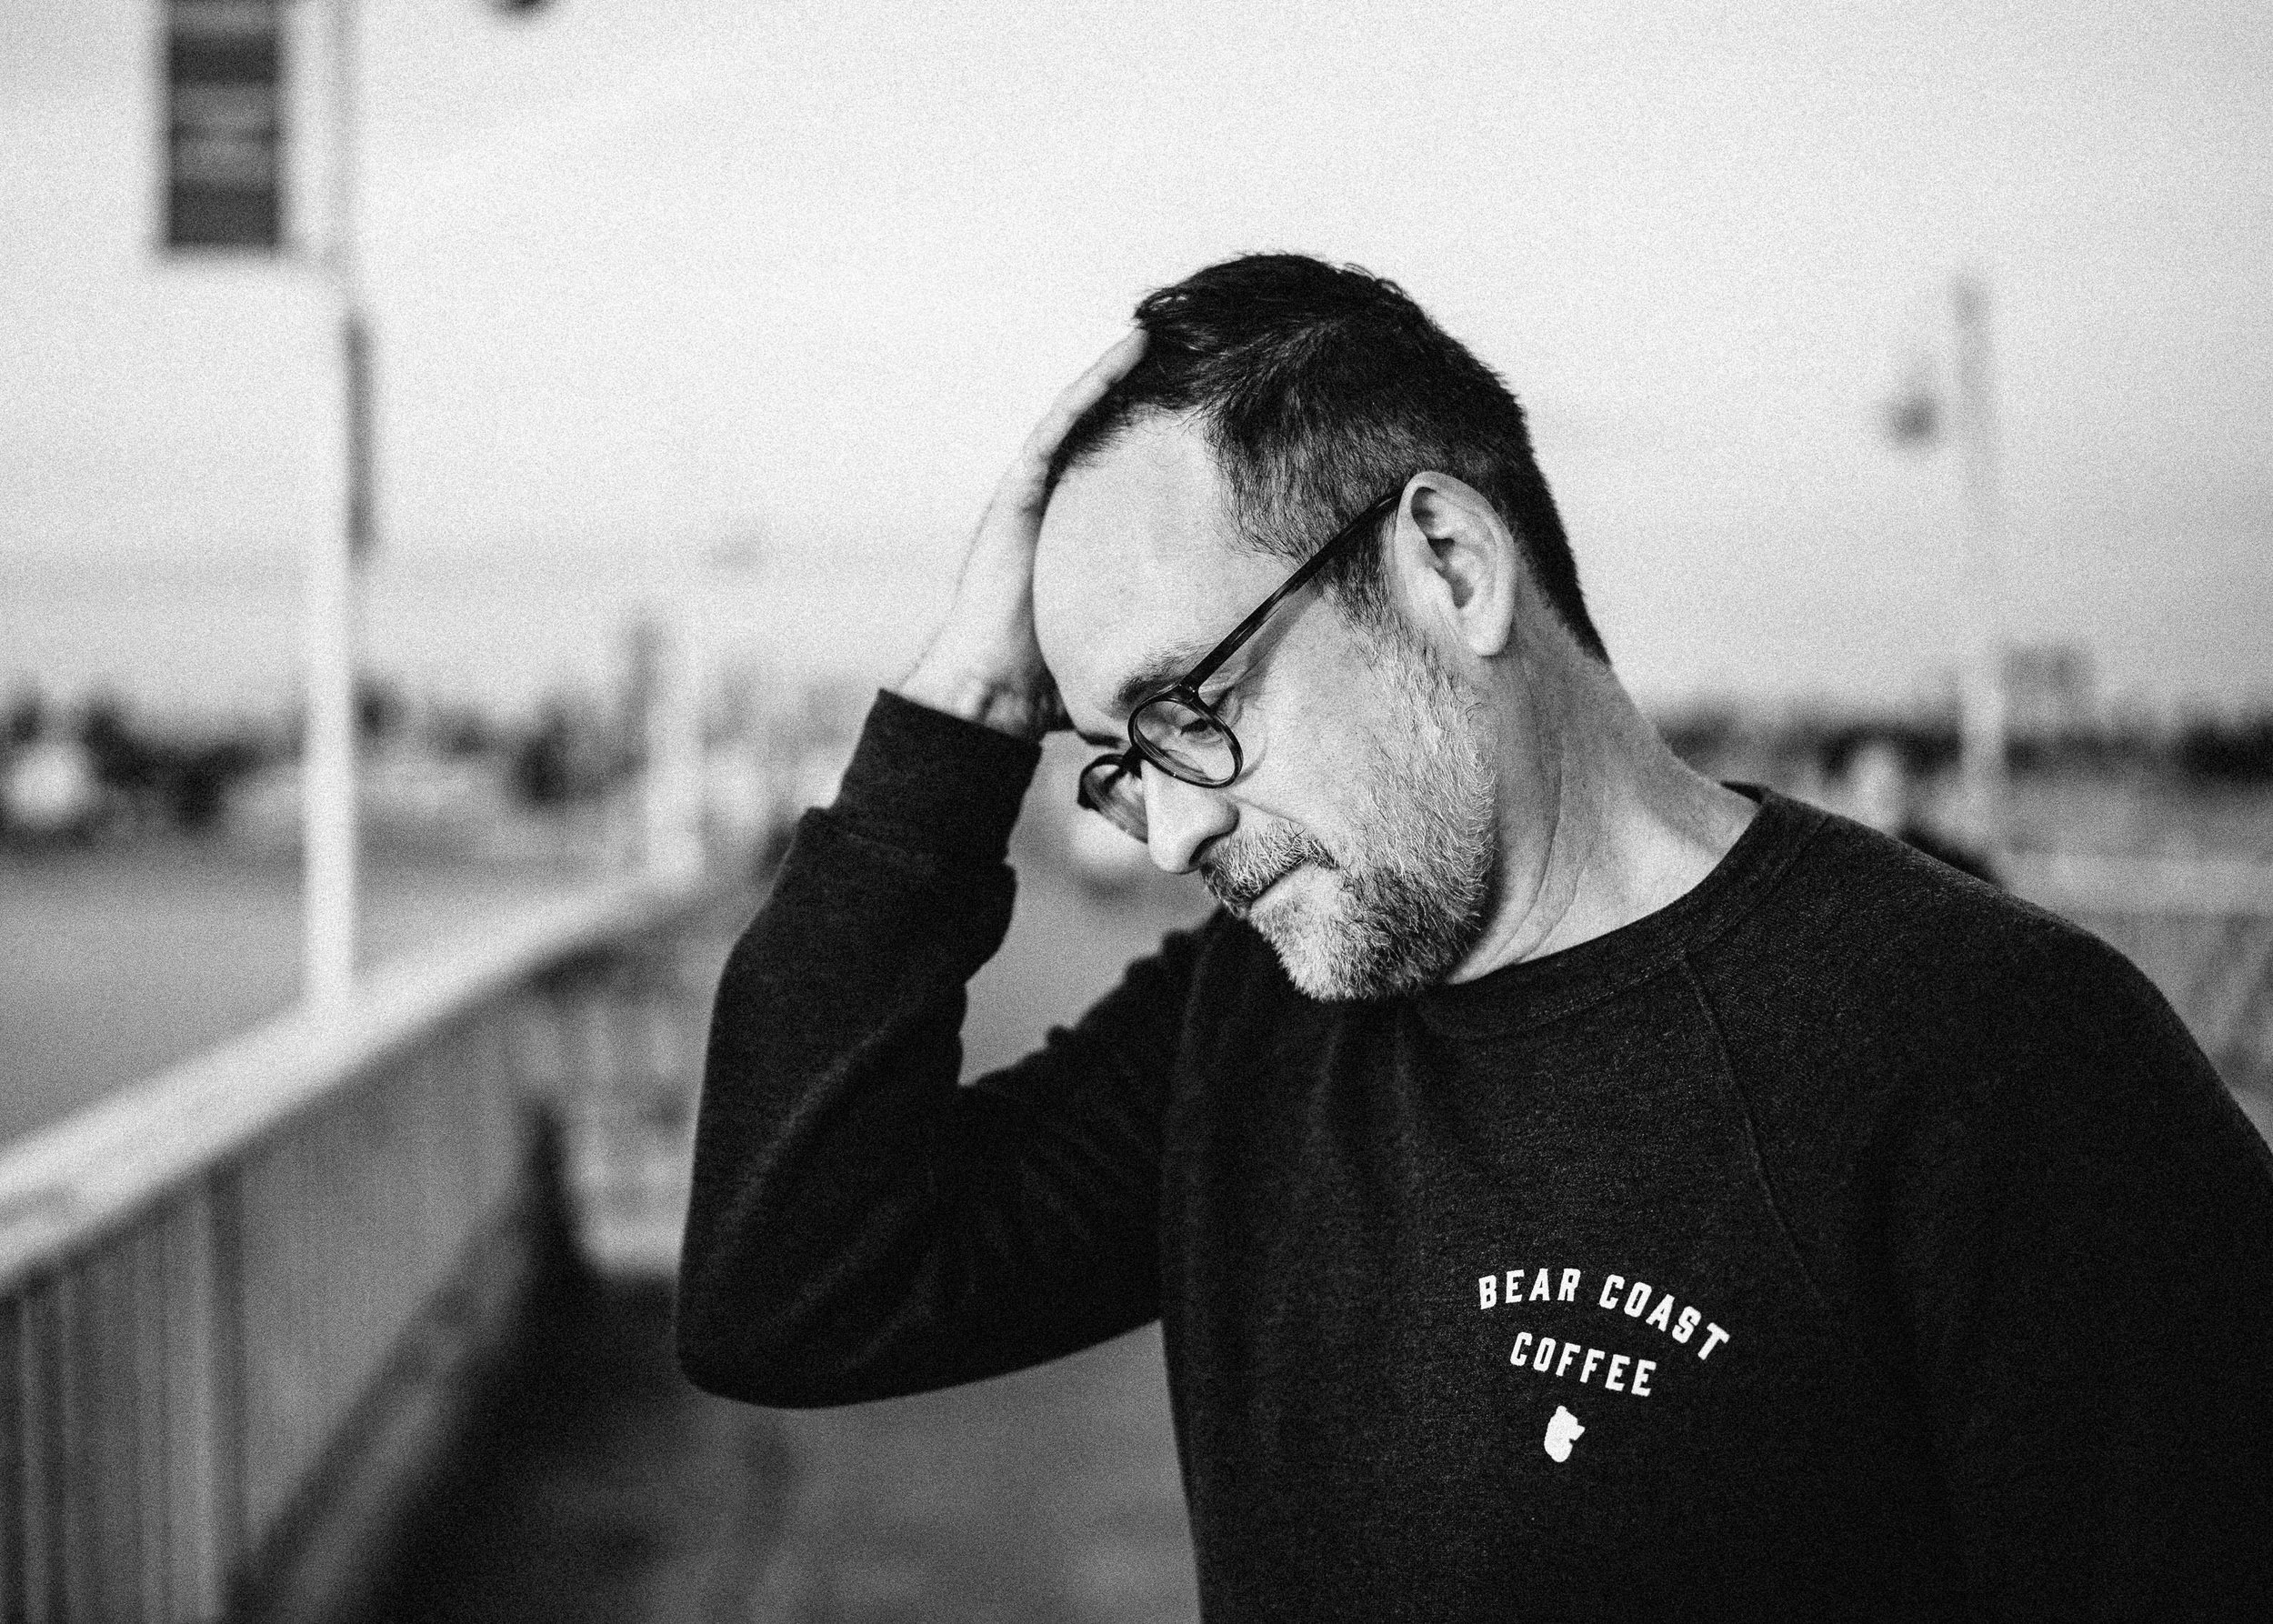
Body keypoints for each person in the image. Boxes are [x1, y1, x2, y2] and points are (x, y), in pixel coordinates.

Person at [676, 255, 2273, 1619]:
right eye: (1116, 759)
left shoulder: (1997, 1061)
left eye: (1189, 713)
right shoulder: (1247, 1029)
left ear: (1447, 564)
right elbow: (793, 1283)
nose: (1168, 831)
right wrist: (954, 722)